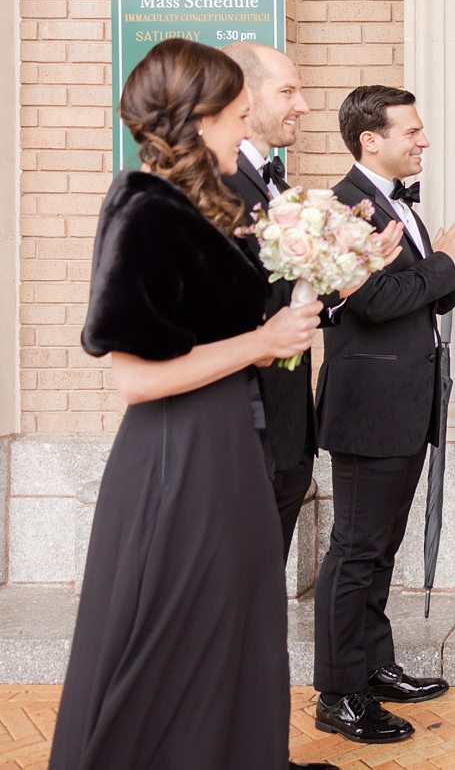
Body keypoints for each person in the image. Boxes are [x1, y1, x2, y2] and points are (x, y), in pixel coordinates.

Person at [50, 39, 331, 770]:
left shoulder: (205, 202)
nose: (247, 127)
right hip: (177, 459)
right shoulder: (142, 206)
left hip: (228, 443)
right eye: (239, 113)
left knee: (236, 632)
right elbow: (136, 378)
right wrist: (260, 342)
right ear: (200, 118)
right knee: (175, 641)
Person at [312, 85, 455, 744]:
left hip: (404, 404)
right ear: (371, 141)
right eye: (411, 131)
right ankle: (339, 694)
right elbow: (377, 302)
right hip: (368, 408)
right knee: (355, 550)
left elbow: (427, 293)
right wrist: (446, 257)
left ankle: (375, 664)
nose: (423, 140)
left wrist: (446, 257)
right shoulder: (340, 209)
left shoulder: (396, 204)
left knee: (380, 548)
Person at [222, 43, 403, 557]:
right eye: (288, 91)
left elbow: (284, 292)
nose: (302, 105)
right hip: (249, 422)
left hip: (283, 425)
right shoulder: (222, 184)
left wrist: (346, 275)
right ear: (243, 98)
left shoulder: (270, 179)